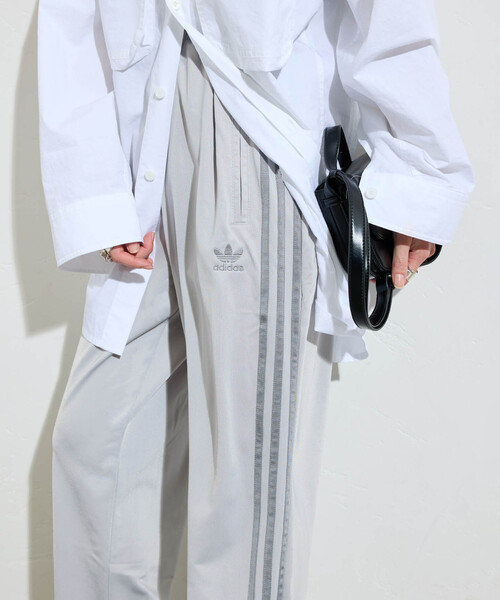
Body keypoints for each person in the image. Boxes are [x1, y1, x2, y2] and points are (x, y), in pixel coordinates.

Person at [37, 1, 475, 598]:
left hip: (257, 127)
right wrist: (94, 186)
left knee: (244, 500)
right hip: (144, 135)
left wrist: (419, 168)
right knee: (94, 447)